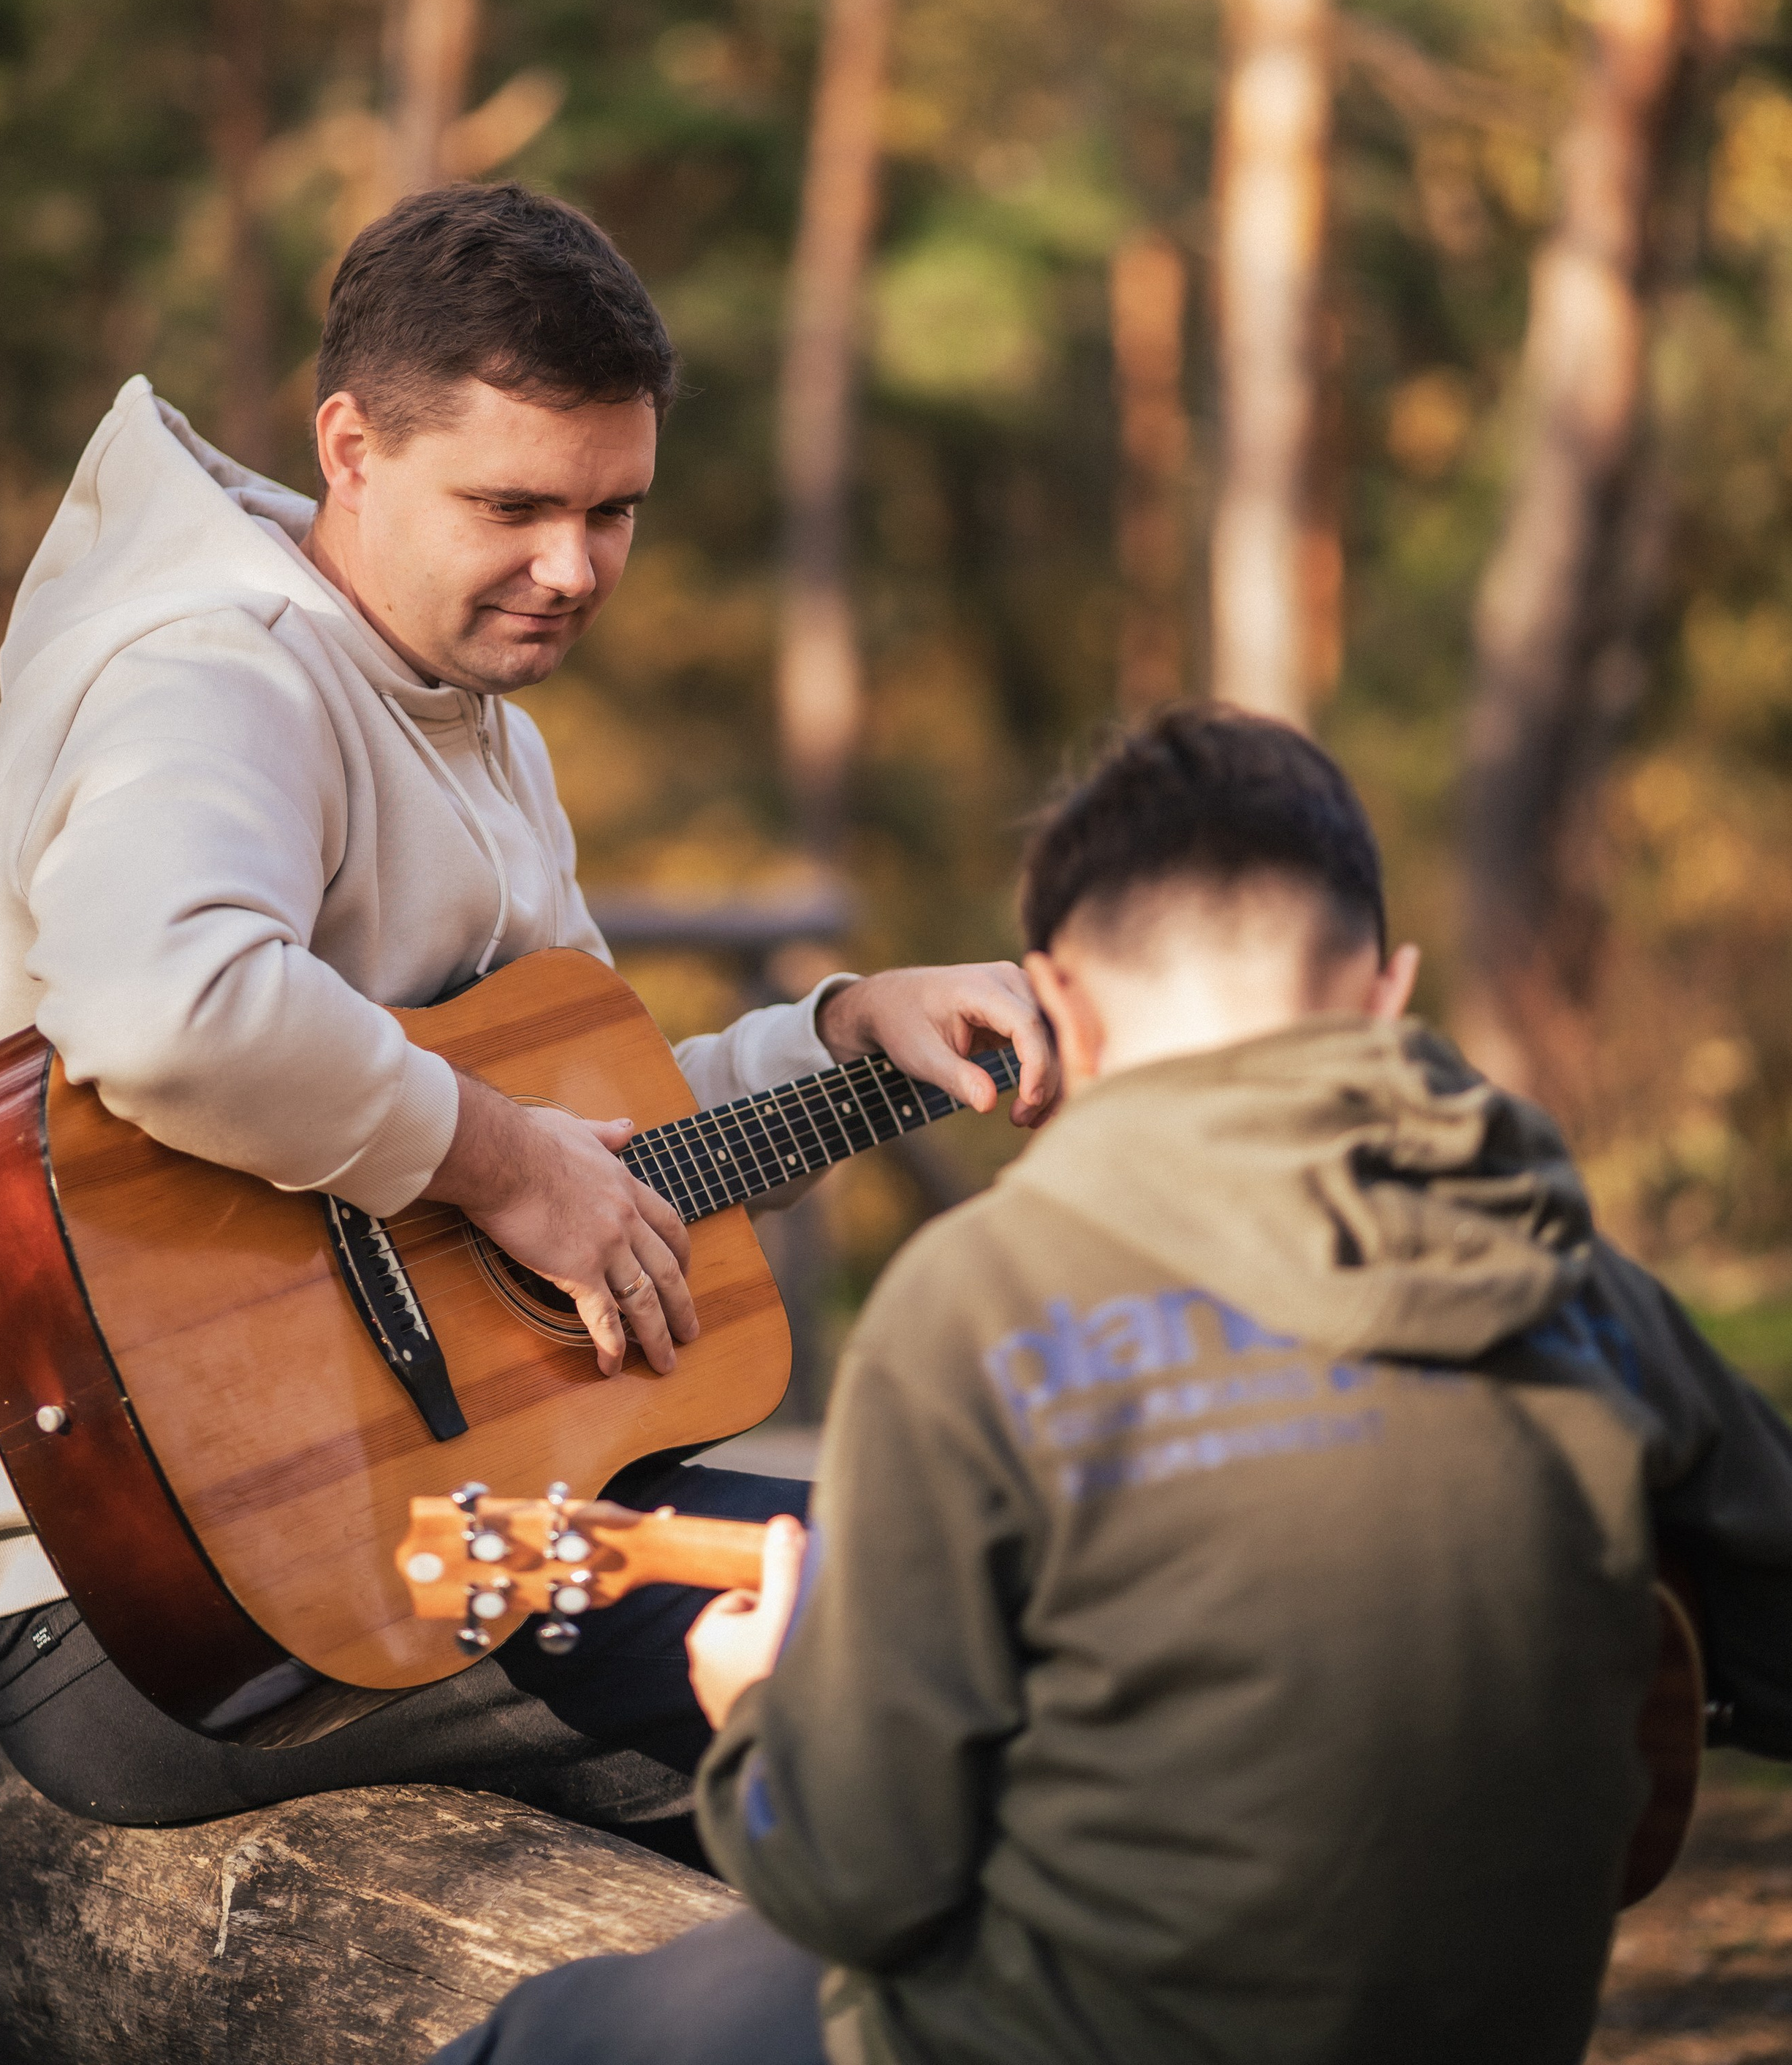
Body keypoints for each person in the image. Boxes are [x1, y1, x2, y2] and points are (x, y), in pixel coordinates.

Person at [0, 181, 1055, 1841]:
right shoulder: (215, 670)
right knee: (930, 1659)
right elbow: (169, 1009)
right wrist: (508, 1170)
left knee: (953, 1602)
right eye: (513, 503)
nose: (570, 566)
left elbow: (575, 1139)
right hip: (177, 1611)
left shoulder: (474, 721)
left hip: (443, 1522)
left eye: (614, 512)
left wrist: (836, 1040)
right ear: (351, 448)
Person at [438, 702, 1792, 2065]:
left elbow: (861, 1884)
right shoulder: (1580, 1282)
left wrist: (766, 1724)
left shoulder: (981, 1304)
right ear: (1387, 990)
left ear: (1064, 1007)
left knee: (535, 2040)